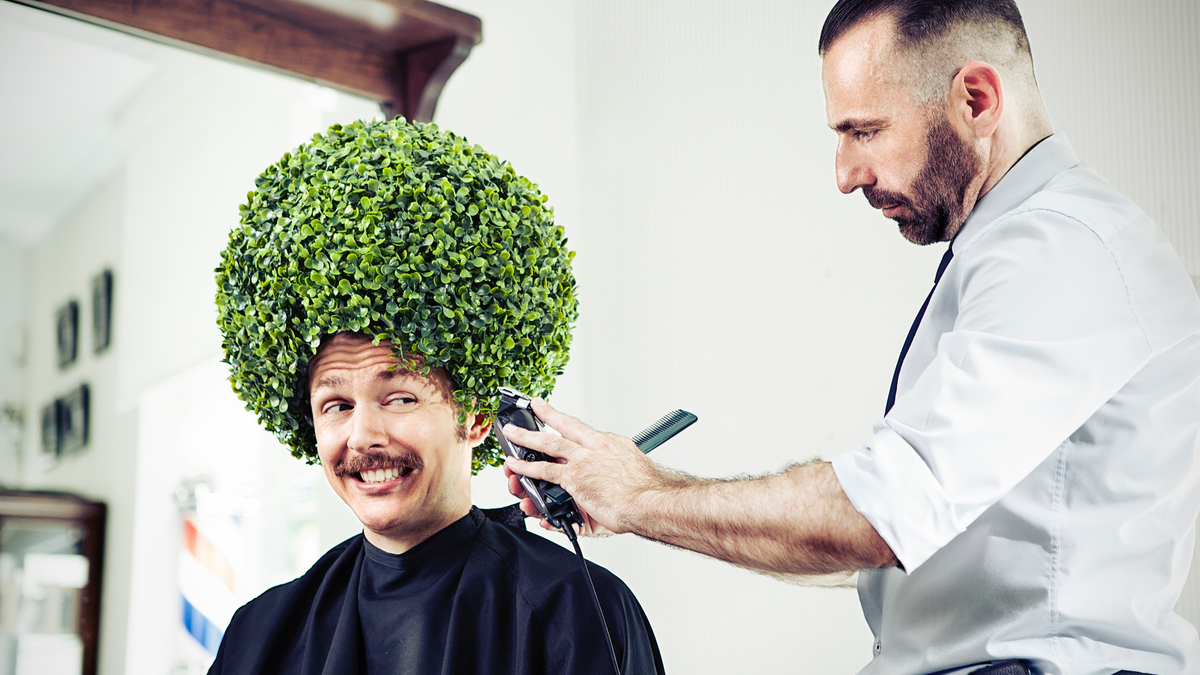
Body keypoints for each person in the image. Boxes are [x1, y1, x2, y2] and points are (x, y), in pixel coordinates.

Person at [503, 1, 1200, 674]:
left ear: (978, 100)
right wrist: (643, 493)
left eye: (864, 131)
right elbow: (912, 540)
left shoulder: (1062, 252)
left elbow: (881, 515)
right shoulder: (1017, 256)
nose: (845, 174)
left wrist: (640, 495)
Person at [208, 118, 665, 674]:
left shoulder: (570, 611)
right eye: (337, 406)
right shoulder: (261, 634)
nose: (362, 438)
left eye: (399, 398)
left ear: (474, 417)